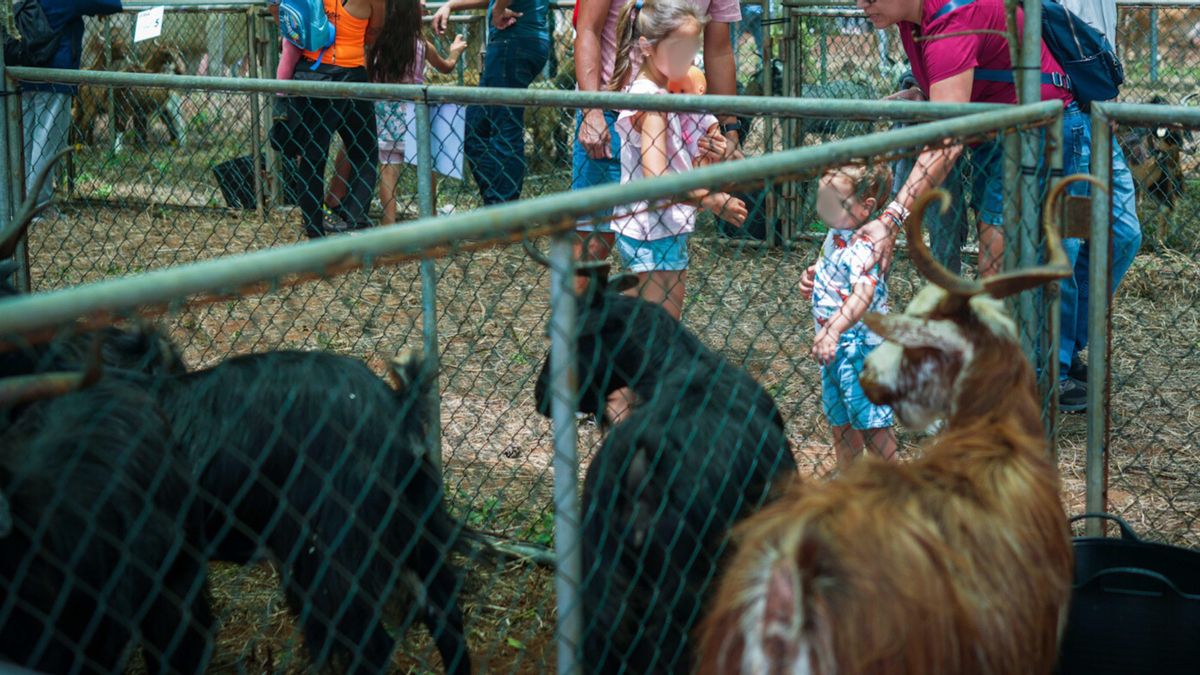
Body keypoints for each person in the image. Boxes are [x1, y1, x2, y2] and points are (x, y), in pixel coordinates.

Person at [855, 0, 1140, 412]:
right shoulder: (912, 20)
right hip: (1006, 128)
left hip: (1045, 127)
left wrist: (892, 217)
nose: (860, 3)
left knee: (1016, 263)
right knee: (1003, 266)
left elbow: (947, 139)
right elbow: (962, 82)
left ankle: (1033, 379)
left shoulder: (951, 18)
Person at [573, 0, 743, 294]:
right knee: (595, 238)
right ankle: (576, 330)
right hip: (610, 109)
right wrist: (592, 111)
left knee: (660, 235)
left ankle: (627, 327)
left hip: (679, 110)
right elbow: (588, 28)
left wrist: (728, 127)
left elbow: (719, 48)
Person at [801, 164, 897, 467]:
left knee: (873, 427)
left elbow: (862, 295)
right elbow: (834, 269)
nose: (824, 206)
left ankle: (899, 492)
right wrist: (814, 277)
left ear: (865, 207)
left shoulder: (865, 242)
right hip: (834, 349)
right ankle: (850, 489)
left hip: (861, 349)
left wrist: (832, 329)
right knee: (840, 424)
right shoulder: (836, 232)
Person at [433, 0, 550, 206]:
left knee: (504, 129)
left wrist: (496, 11)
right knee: (475, 128)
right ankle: (496, 205)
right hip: (515, 42)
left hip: (513, 40)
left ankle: (504, 214)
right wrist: (451, 5)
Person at [291, 0, 384, 238]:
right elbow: (375, 30)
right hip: (352, 72)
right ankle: (354, 219)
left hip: (313, 73)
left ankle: (314, 230)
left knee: (312, 157)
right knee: (364, 152)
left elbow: (286, 17)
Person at [22, 0, 124, 213]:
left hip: (27, 72)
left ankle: (22, 204)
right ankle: (38, 208)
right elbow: (111, 3)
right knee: (47, 143)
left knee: (28, 140)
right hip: (55, 74)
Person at [372, 1, 467, 224]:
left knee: (388, 170)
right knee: (427, 166)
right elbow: (446, 67)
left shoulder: (378, 43)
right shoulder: (422, 46)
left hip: (386, 111)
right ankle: (430, 220)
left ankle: (388, 228)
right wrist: (454, 53)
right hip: (415, 112)